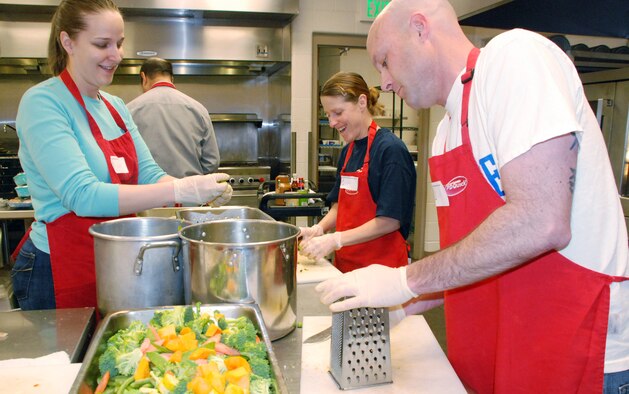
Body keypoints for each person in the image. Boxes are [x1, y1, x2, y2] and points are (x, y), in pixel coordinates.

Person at [315, 0, 629, 393]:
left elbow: (542, 219)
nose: (385, 82)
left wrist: (405, 280)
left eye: (385, 61)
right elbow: (466, 258)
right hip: (503, 340)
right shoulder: (445, 132)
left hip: (577, 338)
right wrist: (397, 306)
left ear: (419, 28)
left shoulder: (514, 58)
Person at [11, 0, 232, 311]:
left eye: (119, 43)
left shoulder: (114, 106)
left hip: (118, 262)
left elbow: (150, 175)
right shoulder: (44, 103)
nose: (115, 55)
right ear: (67, 42)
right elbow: (82, 195)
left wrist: (197, 193)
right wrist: (180, 190)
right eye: (102, 44)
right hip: (58, 267)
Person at [299, 71, 416, 273]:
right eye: (328, 115)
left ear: (362, 102)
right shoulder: (348, 151)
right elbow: (340, 206)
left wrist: (335, 239)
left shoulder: (391, 151)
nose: (332, 122)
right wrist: (319, 229)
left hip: (381, 270)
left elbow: (390, 220)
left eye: (337, 113)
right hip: (346, 265)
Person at [127, 57, 220, 178]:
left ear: (143, 77)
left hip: (147, 193)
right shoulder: (198, 109)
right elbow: (211, 162)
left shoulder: (129, 110)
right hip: (189, 193)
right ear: (172, 78)